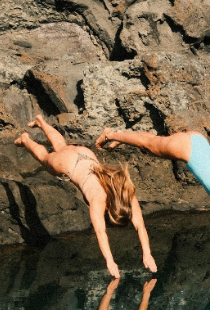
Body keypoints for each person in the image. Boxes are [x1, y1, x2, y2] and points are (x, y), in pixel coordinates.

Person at [95, 128, 210, 259]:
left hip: (198, 140)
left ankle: (122, 137)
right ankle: (110, 134)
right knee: (151, 144)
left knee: (153, 142)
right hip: (184, 148)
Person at [15, 115, 157, 277]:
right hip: (68, 164)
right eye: (109, 216)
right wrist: (110, 261)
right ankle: (26, 139)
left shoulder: (124, 190)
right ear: (109, 209)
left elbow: (140, 225)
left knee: (61, 145)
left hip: (85, 155)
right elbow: (100, 232)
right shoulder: (99, 200)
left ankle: (41, 123)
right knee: (45, 158)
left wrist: (147, 253)